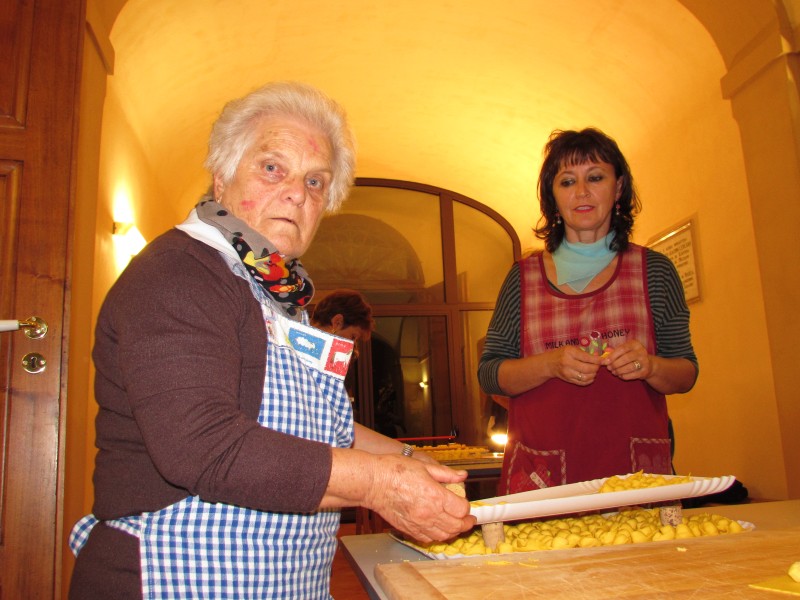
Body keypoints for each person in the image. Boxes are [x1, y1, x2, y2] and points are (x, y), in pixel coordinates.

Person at [69, 82, 474, 599]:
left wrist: (413, 462)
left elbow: (320, 428)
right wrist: (379, 485)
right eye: (271, 168)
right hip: (180, 577)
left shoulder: (280, 295)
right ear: (221, 177)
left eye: (315, 181)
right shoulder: (179, 272)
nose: (297, 193)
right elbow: (204, 448)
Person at [478, 127, 698, 496]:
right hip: (540, 484)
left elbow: (687, 372)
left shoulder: (655, 271)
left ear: (619, 188)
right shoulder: (522, 277)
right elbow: (489, 375)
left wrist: (652, 366)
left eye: (595, 177)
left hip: (637, 482)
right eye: (567, 181)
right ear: (553, 195)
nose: (581, 192)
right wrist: (550, 364)